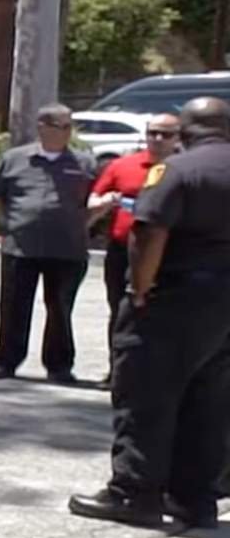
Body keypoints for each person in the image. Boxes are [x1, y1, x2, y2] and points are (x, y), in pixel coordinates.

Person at [68, 97, 230, 531]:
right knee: (209, 402)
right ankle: (195, 499)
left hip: (175, 299)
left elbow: (149, 230)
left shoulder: (175, 170)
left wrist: (140, 288)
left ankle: (134, 493)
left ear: (187, 129)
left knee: (146, 396)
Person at [0, 103, 99, 384]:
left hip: (67, 249)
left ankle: (59, 366)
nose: (68, 132)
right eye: (62, 126)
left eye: (70, 126)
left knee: (60, 307)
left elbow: (95, 201)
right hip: (21, 247)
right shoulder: (14, 159)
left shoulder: (85, 163)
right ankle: (6, 361)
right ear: (43, 127)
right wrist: (10, 224)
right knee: (13, 305)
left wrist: (83, 225)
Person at [88, 113, 183, 365]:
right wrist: (104, 204)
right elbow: (93, 202)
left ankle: (159, 368)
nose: (158, 139)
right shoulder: (122, 166)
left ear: (179, 138)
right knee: (121, 310)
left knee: (165, 313)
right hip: (123, 251)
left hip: (170, 253)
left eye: (166, 134)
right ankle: (118, 368)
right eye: (153, 133)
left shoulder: (183, 169)